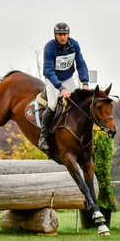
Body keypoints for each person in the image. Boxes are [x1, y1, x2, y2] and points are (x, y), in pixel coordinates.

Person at [38, 22, 90, 152]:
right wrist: (61, 89)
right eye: (60, 34)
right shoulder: (49, 47)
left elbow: (81, 64)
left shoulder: (74, 45)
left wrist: (85, 83)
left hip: (67, 78)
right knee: (53, 105)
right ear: (55, 35)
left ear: (68, 34)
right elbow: (49, 71)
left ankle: (81, 134)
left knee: (79, 104)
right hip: (53, 79)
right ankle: (43, 137)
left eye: (65, 34)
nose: (62, 37)